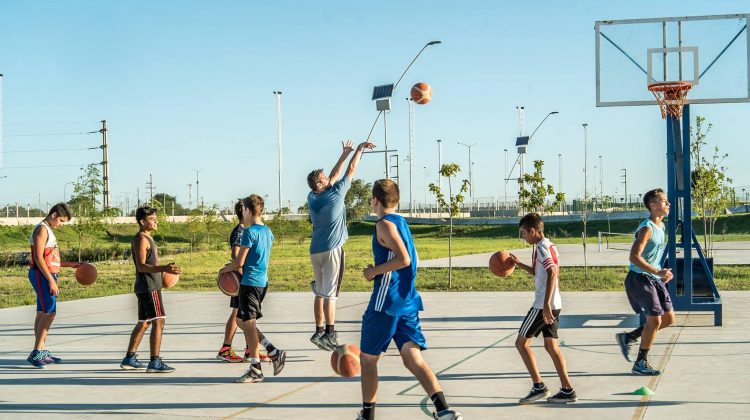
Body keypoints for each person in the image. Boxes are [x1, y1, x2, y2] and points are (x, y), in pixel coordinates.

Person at [357, 179, 461, 420]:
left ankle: (367, 416)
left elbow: (403, 259)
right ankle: (444, 410)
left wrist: (374, 271)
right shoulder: (401, 221)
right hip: (406, 300)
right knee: (413, 358)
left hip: (387, 302)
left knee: (368, 360)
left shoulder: (383, 224)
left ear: (375, 200)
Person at [306, 140, 375, 351]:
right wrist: (359, 150)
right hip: (332, 249)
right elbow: (351, 170)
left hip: (315, 249)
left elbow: (334, 175)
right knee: (331, 294)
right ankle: (330, 333)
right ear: (320, 184)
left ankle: (318, 331)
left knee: (319, 292)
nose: (329, 178)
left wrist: (344, 154)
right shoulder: (336, 193)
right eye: (325, 178)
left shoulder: (311, 196)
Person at [508, 213, 577, 404]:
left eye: (523, 233)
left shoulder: (542, 247)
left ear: (532, 230)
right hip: (555, 304)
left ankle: (538, 386)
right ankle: (567, 390)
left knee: (521, 343)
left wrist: (545, 305)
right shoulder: (548, 245)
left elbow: (552, 272)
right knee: (551, 347)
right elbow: (540, 272)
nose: (523, 237)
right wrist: (520, 264)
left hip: (542, 305)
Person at [219, 194, 286, 383]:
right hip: (262, 282)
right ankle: (272, 351)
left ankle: (256, 369)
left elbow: (239, 261)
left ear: (247, 210)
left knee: (249, 325)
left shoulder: (250, 232)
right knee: (241, 321)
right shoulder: (267, 231)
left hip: (250, 282)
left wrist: (223, 271)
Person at [615, 188, 674, 375]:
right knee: (655, 319)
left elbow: (652, 257)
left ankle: (630, 337)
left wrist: (662, 272)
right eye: (664, 201)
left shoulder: (661, 227)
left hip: (654, 278)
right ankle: (641, 363)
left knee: (668, 319)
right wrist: (657, 270)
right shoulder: (647, 228)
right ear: (653, 205)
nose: (668, 204)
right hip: (639, 278)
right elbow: (634, 256)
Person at [120, 206, 181, 373]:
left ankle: (129, 358)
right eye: (152, 219)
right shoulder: (141, 239)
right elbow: (141, 266)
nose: (156, 222)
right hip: (149, 287)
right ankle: (155, 362)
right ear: (142, 221)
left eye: (155, 218)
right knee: (159, 320)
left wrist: (164, 273)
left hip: (149, 286)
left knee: (144, 322)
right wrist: (164, 269)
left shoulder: (147, 238)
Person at [216, 200, 268, 363]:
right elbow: (236, 256)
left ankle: (249, 350)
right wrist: (234, 272)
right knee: (239, 315)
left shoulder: (249, 229)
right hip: (241, 280)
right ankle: (226, 348)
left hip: (247, 279)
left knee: (244, 316)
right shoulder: (241, 231)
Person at [27, 203, 76, 368]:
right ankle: (36, 352)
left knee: (42, 312)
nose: (61, 225)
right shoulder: (42, 229)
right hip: (41, 274)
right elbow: (39, 258)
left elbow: (51, 258)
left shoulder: (48, 229)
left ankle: (41, 349)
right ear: (54, 215)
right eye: (61, 221)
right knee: (50, 312)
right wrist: (50, 280)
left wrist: (72, 264)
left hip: (45, 274)